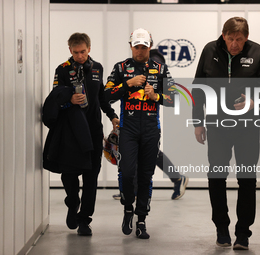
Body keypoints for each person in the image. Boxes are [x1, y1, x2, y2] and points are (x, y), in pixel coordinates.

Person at [192, 17, 260, 250]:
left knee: (246, 178)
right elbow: (198, 88)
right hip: (217, 125)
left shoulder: (257, 51)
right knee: (216, 177)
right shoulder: (210, 50)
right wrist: (198, 122)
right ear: (223, 35)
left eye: (239, 39)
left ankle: (243, 234)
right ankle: (221, 229)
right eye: (230, 39)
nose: (234, 44)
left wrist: (253, 101)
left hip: (248, 125)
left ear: (246, 37)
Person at [42, 32, 119, 236]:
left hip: (94, 130)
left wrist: (112, 116)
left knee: (91, 177)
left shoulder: (97, 68)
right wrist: (70, 101)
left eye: (83, 51)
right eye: (75, 52)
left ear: (89, 49)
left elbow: (101, 97)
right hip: (71, 132)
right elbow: (54, 99)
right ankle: (72, 202)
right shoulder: (63, 69)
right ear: (70, 50)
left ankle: (85, 219)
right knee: (69, 174)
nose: (80, 56)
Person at [104, 28, 175, 239]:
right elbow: (105, 95)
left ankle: (141, 220)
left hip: (152, 129)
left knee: (146, 176)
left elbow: (174, 99)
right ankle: (128, 208)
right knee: (126, 172)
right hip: (129, 128)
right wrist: (127, 85)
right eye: (137, 47)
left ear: (150, 46)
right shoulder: (121, 67)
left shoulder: (161, 69)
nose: (140, 51)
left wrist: (157, 96)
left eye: (144, 47)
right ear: (131, 46)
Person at [111, 49, 189, 201]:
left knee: (151, 154)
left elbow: (171, 95)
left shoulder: (156, 65)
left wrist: (155, 95)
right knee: (142, 154)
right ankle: (130, 190)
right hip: (133, 120)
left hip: (149, 119)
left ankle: (177, 178)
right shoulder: (128, 67)